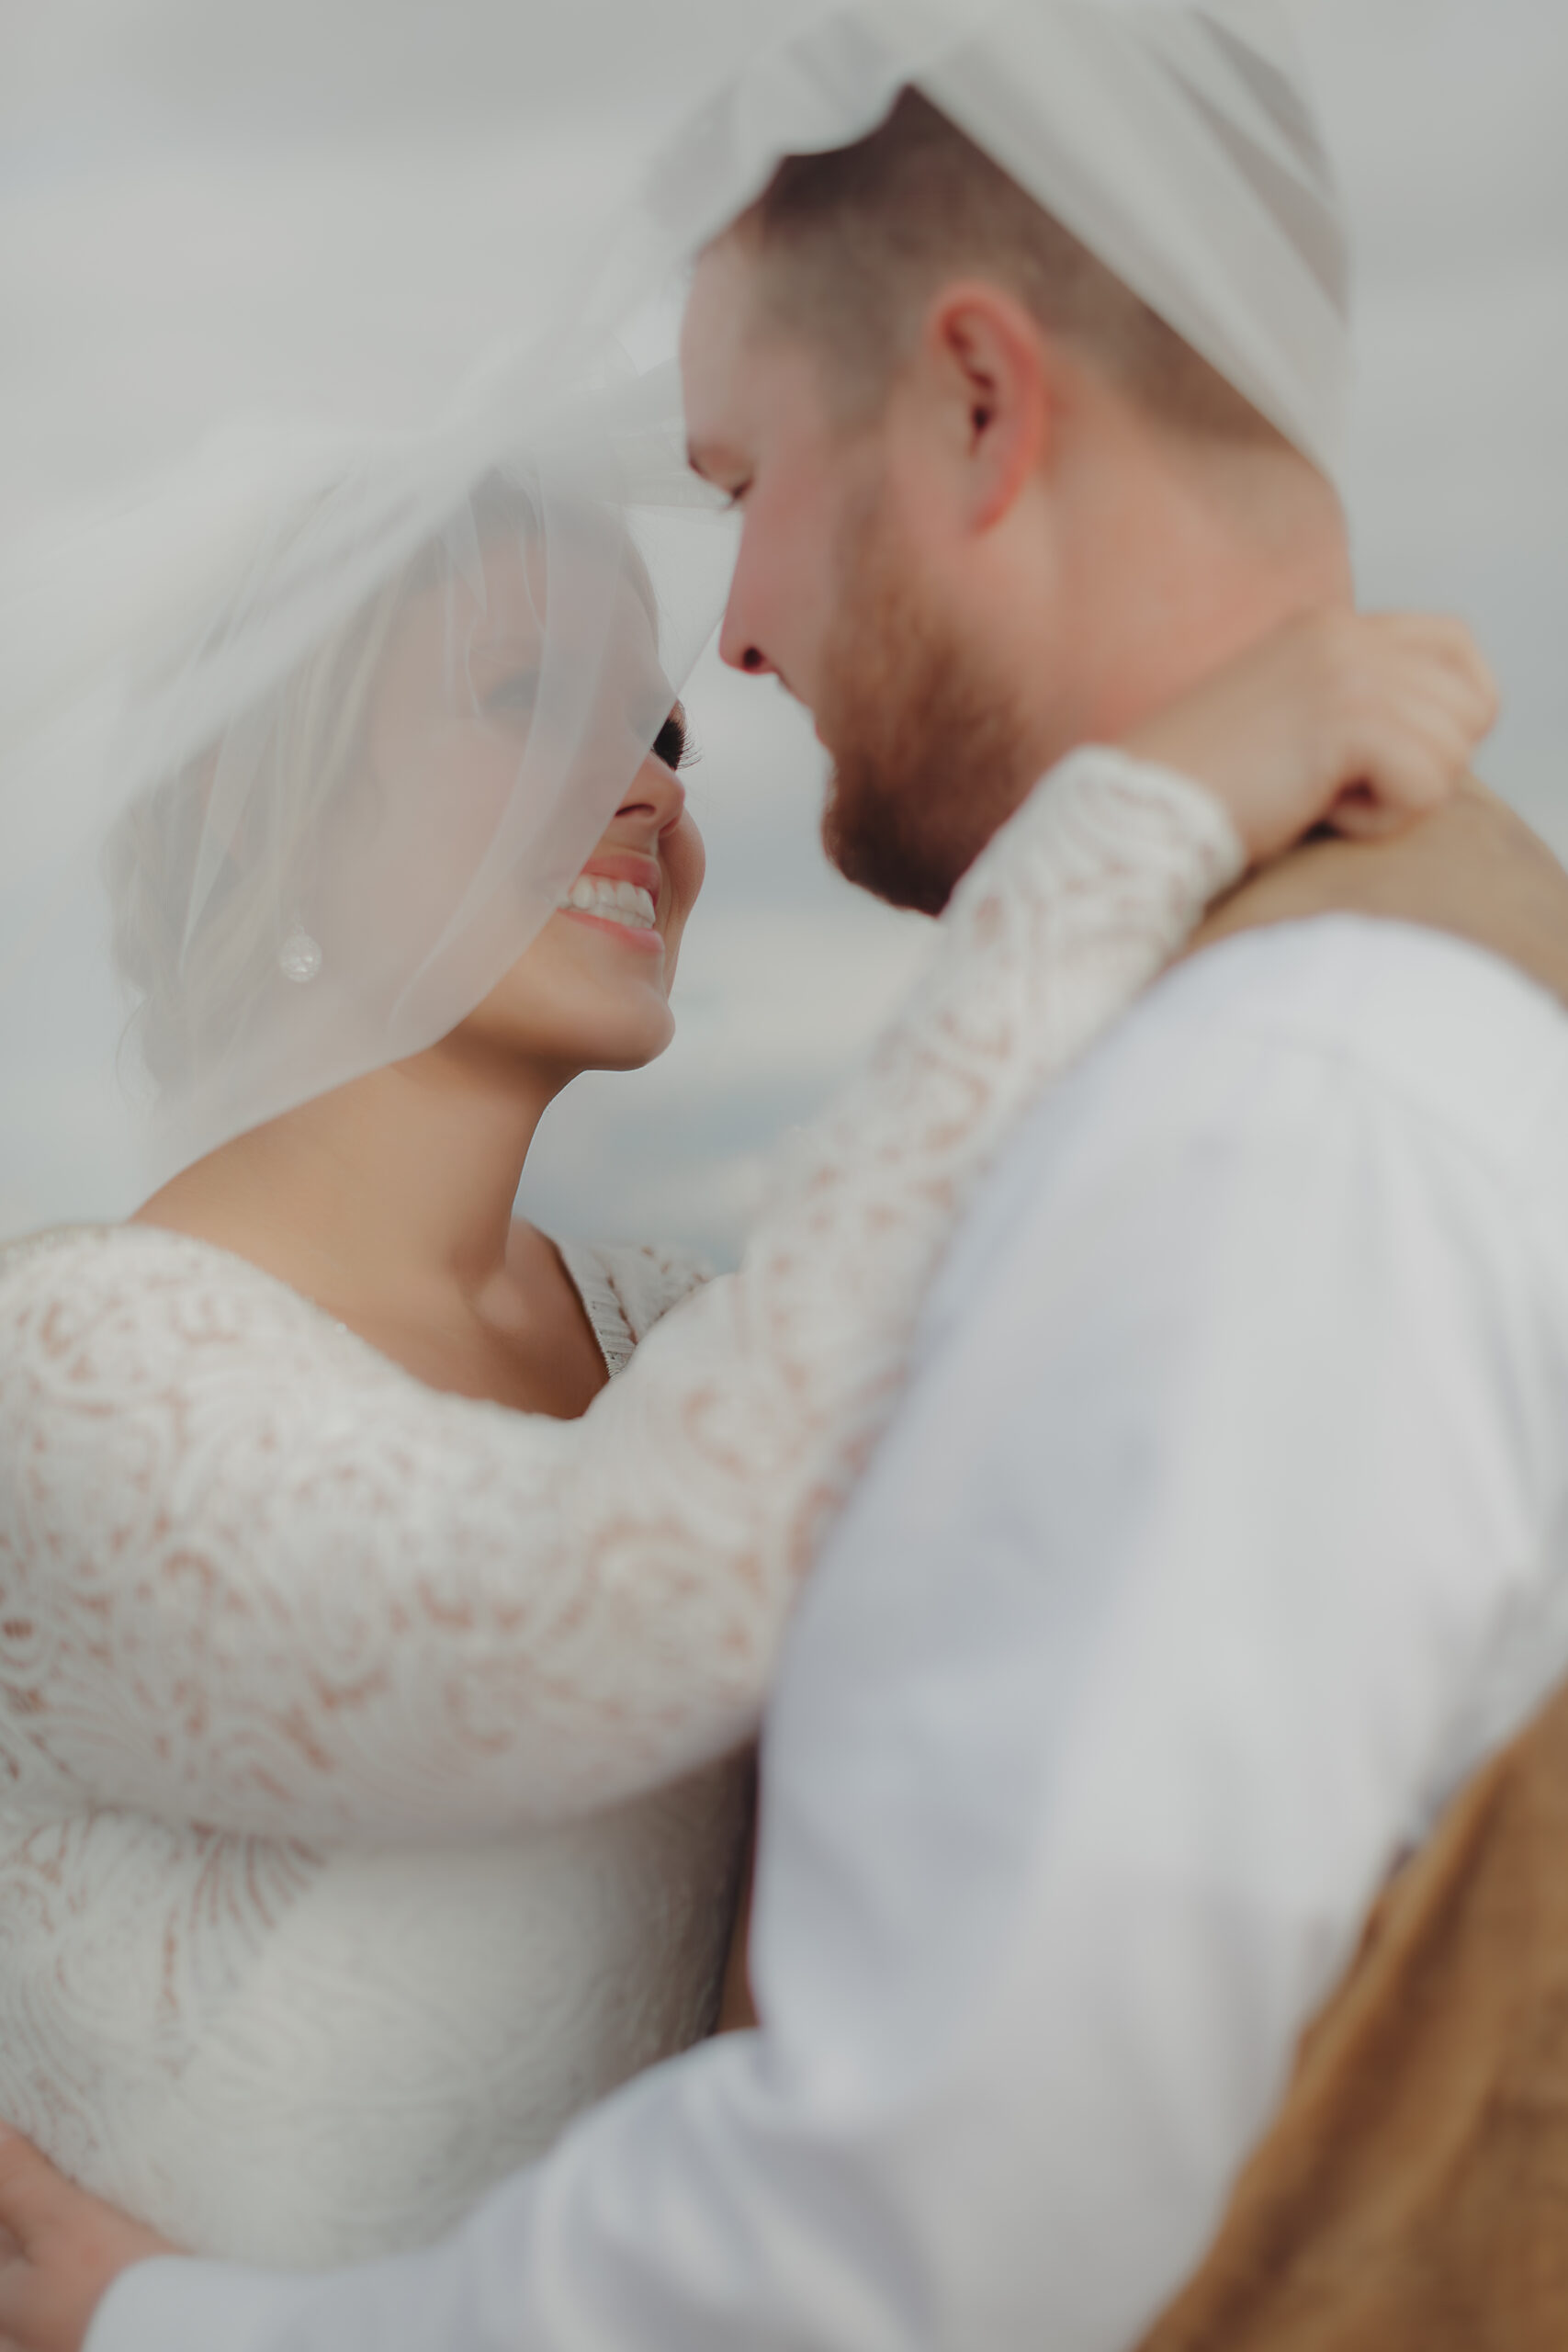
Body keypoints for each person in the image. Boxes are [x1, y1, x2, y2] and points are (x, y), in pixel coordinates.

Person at [6, 9, 1568, 2352]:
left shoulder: (747, 1309)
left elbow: (938, 2176)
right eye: (537, 705)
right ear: (271, 811)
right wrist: (1121, 834)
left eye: (657, 710)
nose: (683, 734)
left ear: (976, 403)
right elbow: (611, 1595)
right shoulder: (75, 1361)